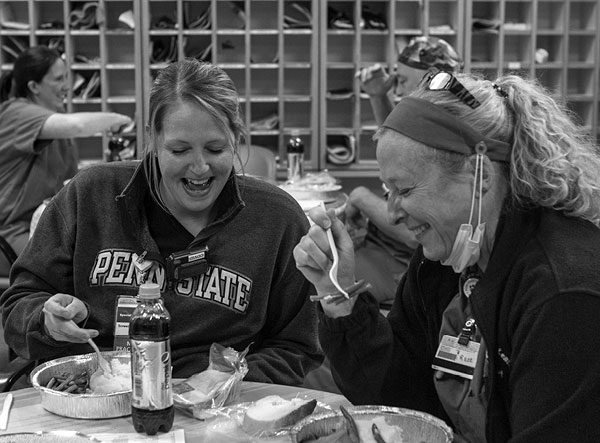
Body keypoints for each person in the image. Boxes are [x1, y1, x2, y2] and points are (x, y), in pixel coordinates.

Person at [294, 71, 600, 441]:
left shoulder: (563, 294)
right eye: (386, 189)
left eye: (404, 189)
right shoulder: (442, 261)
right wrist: (338, 294)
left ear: (479, 175)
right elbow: (399, 398)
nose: (391, 213)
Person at [1, 59, 323, 384]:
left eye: (215, 148)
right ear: (152, 140)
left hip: (219, 415)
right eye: (179, 150)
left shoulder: (277, 219)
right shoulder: (89, 196)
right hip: (94, 402)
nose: (199, 168)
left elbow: (298, 345)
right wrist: (46, 318)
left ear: (237, 138)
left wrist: (230, 381)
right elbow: (18, 306)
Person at [349, 36, 463, 305]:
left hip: (404, 265)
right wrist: (378, 95)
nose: (395, 88)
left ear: (432, 78)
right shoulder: (437, 122)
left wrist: (361, 197)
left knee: (316, 278)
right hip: (383, 249)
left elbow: (416, 234)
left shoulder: (446, 140)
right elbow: (398, 140)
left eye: (401, 80)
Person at [0, 46, 132, 275]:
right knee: (90, 266)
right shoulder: (16, 112)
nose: (67, 86)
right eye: (59, 79)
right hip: (12, 236)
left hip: (44, 228)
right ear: (33, 87)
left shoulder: (56, 131)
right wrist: (119, 118)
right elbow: (77, 125)